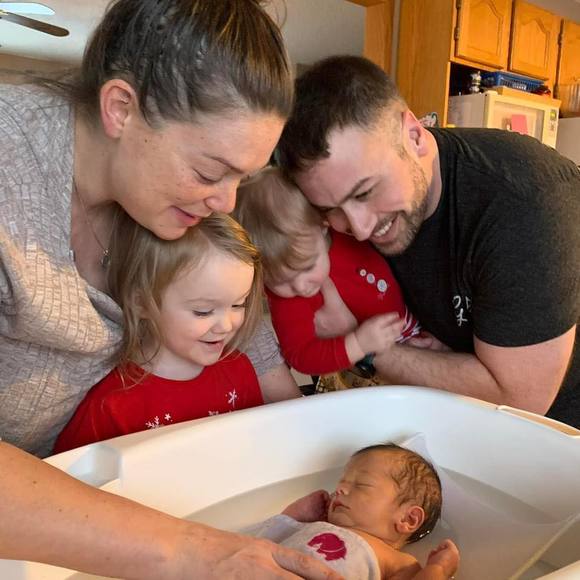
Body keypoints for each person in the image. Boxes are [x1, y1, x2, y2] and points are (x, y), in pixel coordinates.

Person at [0, 1, 340, 578]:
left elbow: (253, 338)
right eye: (210, 172)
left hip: (90, 502)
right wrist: (196, 552)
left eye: (243, 178)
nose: (226, 202)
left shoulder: (165, 199)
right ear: (121, 109)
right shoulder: (12, 175)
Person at [276, 55, 580, 427]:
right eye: (331, 209)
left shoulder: (523, 205)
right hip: (445, 412)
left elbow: (519, 399)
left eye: (365, 192)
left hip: (556, 433)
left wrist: (362, 345)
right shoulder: (342, 221)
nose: (359, 228)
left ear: (415, 136)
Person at [54, 212, 301, 453]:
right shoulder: (110, 406)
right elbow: (69, 476)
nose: (226, 325)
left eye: (238, 304)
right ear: (141, 302)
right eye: (203, 311)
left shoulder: (240, 370)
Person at [235, 167, 421, 377]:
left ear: (323, 225)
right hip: (369, 372)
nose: (300, 286)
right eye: (279, 281)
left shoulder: (349, 230)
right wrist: (358, 344)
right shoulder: (287, 302)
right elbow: (300, 357)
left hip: (411, 329)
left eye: (308, 266)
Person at [246, 444, 459, 579]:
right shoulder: (313, 526)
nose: (340, 489)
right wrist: (294, 516)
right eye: (342, 482)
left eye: (361, 485)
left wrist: (438, 569)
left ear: (408, 519)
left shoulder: (397, 561)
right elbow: (258, 543)